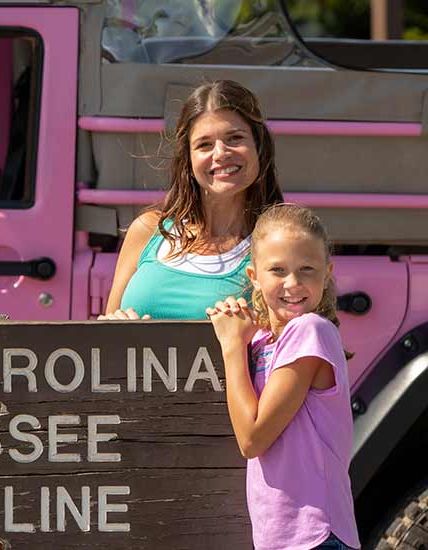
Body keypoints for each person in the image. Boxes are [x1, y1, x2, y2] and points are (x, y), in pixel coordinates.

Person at [207, 204, 358, 550]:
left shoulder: (311, 331)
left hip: (317, 536)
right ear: (253, 277)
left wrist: (232, 347)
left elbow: (252, 439)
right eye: (278, 270)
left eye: (307, 269)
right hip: (279, 539)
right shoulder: (259, 341)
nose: (293, 283)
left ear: (327, 273)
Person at [100, 79, 284, 320]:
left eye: (235, 138)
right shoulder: (146, 231)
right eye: (204, 145)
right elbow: (102, 338)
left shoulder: (280, 244)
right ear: (188, 158)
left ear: (259, 146)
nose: (220, 153)